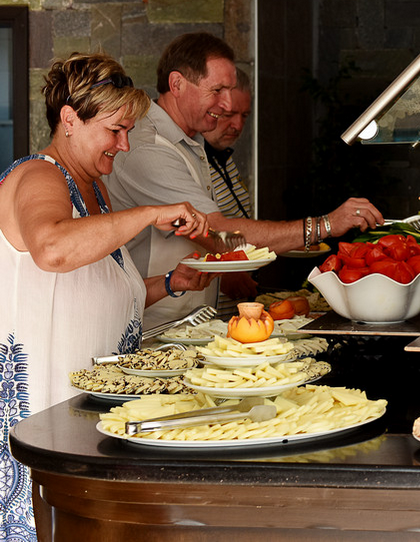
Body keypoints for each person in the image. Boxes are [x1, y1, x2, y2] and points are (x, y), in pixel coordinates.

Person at [0, 53, 214, 540]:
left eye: (129, 131)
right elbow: (53, 250)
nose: (124, 145)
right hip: (41, 415)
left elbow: (97, 299)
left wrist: (170, 284)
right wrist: (149, 213)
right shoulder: (39, 175)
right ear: (69, 119)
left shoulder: (96, 193)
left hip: (87, 417)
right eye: (115, 131)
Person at [105, 32, 384, 326]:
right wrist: (324, 225)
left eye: (230, 90)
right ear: (177, 84)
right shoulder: (148, 147)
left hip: (187, 323)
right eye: (217, 90)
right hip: (151, 327)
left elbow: (207, 235)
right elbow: (218, 233)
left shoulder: (190, 139)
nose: (227, 105)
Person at [202, 67, 257, 309]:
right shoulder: (194, 162)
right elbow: (186, 233)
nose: (238, 125)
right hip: (206, 310)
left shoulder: (224, 156)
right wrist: (223, 274)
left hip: (237, 307)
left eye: (244, 115)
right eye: (229, 115)